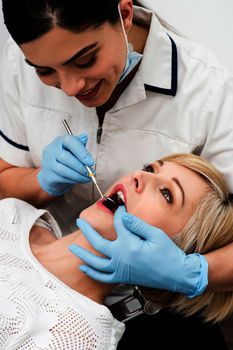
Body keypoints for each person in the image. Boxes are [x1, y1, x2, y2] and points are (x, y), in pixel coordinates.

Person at [1, 0, 233, 348]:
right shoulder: (11, 218)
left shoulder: (212, 95)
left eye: (83, 60)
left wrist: (193, 272)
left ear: (124, 15)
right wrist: (39, 180)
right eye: (45, 71)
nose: (68, 87)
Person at [0, 153, 231, 349]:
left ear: (173, 250)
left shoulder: (73, 335)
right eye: (149, 168)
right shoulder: (15, 211)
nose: (140, 176)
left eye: (166, 194)